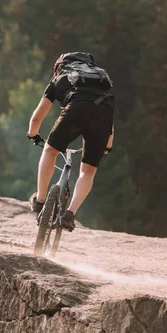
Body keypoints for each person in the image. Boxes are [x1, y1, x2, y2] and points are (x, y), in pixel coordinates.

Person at [26, 52, 114, 231]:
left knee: (50, 151)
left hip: (76, 109)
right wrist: (108, 146)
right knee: (88, 172)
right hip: (103, 115)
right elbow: (110, 117)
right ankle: (70, 214)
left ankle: (41, 201)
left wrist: (33, 134)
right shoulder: (99, 80)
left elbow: (36, 118)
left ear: (59, 66)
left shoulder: (60, 77)